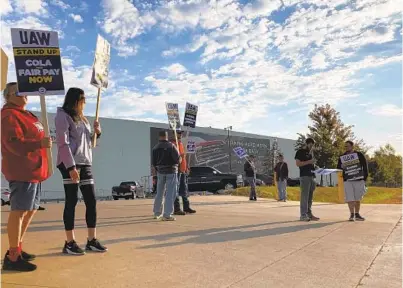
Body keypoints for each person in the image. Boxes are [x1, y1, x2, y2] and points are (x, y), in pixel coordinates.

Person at [1, 82, 52, 271]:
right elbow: (13, 143)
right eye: (20, 92)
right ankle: (13, 256)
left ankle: (17, 248)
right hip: (22, 170)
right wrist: (38, 143)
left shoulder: (26, 114)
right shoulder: (9, 115)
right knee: (19, 211)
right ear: (9, 96)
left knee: (29, 210)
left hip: (34, 170)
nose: (25, 95)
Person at [55, 87, 107, 255]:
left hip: (85, 162)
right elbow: (62, 143)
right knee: (71, 201)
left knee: (91, 200)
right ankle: (69, 242)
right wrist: (70, 167)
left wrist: (97, 133)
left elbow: (88, 142)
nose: (85, 102)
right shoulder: (62, 116)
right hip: (70, 163)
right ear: (75, 100)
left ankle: (91, 240)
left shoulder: (83, 118)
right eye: (83, 99)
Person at [152, 130, 181, 221]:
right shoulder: (172, 146)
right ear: (167, 136)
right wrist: (180, 157)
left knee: (159, 193)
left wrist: (158, 170)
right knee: (170, 193)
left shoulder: (155, 147)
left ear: (159, 137)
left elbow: (154, 162)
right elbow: (177, 160)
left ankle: (157, 213)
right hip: (171, 171)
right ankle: (167, 214)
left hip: (160, 172)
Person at [337, 141, 368, 221]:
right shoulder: (342, 157)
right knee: (350, 198)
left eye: (347, 146)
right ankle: (351, 215)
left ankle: (357, 214)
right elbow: (338, 168)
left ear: (352, 146)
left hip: (358, 179)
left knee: (358, 198)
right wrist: (342, 166)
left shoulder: (359, 155)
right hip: (348, 180)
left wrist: (364, 178)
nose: (346, 148)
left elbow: (365, 166)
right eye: (345, 146)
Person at [295, 138, 319, 221]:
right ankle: (303, 215)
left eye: (313, 145)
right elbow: (298, 164)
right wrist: (309, 162)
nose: (311, 147)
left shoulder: (310, 153)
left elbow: (311, 164)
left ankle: (309, 214)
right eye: (310, 145)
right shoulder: (300, 152)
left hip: (312, 176)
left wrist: (316, 167)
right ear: (306, 144)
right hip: (304, 176)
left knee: (310, 197)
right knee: (304, 196)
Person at [172, 131, 196, 215]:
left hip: (183, 170)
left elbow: (183, 158)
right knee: (176, 190)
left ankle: (186, 207)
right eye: (178, 133)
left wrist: (186, 167)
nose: (180, 135)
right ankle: (177, 208)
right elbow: (176, 158)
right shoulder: (173, 144)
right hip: (177, 170)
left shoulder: (181, 144)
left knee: (184, 189)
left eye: (181, 134)